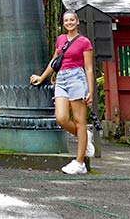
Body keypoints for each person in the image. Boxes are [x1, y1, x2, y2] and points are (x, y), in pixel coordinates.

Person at [30, 9, 95, 175]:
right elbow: (54, 61)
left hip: (77, 78)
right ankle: (85, 137)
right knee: (61, 118)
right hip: (61, 79)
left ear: (77, 22)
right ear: (64, 23)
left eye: (72, 20)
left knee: (79, 120)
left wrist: (90, 91)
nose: (69, 22)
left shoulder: (84, 42)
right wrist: (42, 77)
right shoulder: (60, 39)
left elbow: (88, 68)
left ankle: (80, 163)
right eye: (66, 20)